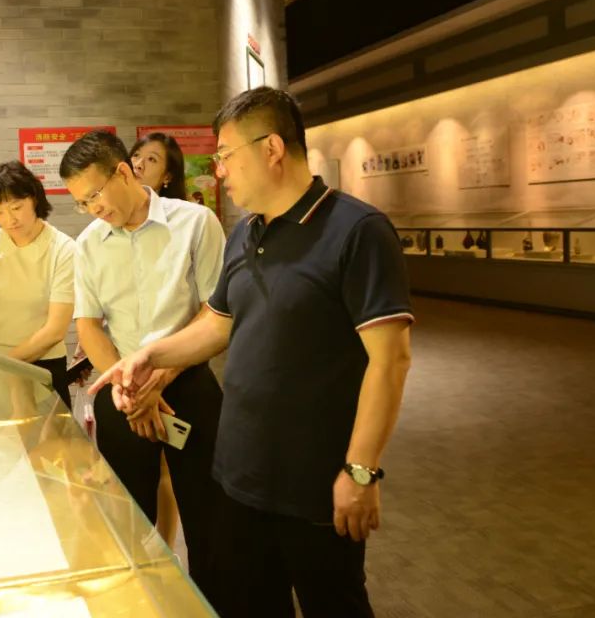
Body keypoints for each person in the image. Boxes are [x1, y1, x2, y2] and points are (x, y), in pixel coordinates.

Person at [92, 87, 414, 618]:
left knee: (333, 604)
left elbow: (391, 359)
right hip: (238, 475)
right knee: (249, 602)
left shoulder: (357, 231)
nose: (218, 170)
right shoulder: (246, 232)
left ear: (271, 149)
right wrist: (149, 356)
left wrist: (361, 471)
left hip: (314, 481)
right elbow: (218, 324)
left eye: (225, 155)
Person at [59, 130, 225, 589]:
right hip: (123, 395)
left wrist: (159, 378)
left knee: (209, 521)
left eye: (95, 194)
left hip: (187, 383)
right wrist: (128, 385)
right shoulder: (89, 243)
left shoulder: (195, 222)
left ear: (122, 172)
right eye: (81, 202)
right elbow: (89, 325)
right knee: (128, 523)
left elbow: (214, 312)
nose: (93, 208)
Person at [0, 161, 76, 408]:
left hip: (43, 365)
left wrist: (5, 364)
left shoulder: (64, 249)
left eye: (16, 207)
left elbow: (55, 330)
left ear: (34, 198)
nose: (10, 220)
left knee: (47, 433)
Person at [128, 131, 189, 549]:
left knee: (167, 464)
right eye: (136, 156)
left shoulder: (186, 223)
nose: (139, 164)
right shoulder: (110, 227)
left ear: (168, 176)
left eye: (151, 160)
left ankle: (165, 546)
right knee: (135, 470)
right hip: (128, 372)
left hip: (175, 367)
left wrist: (161, 377)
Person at [130, 132, 187, 200]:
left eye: (151, 159)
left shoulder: (180, 206)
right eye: (136, 155)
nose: (138, 165)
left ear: (167, 177)